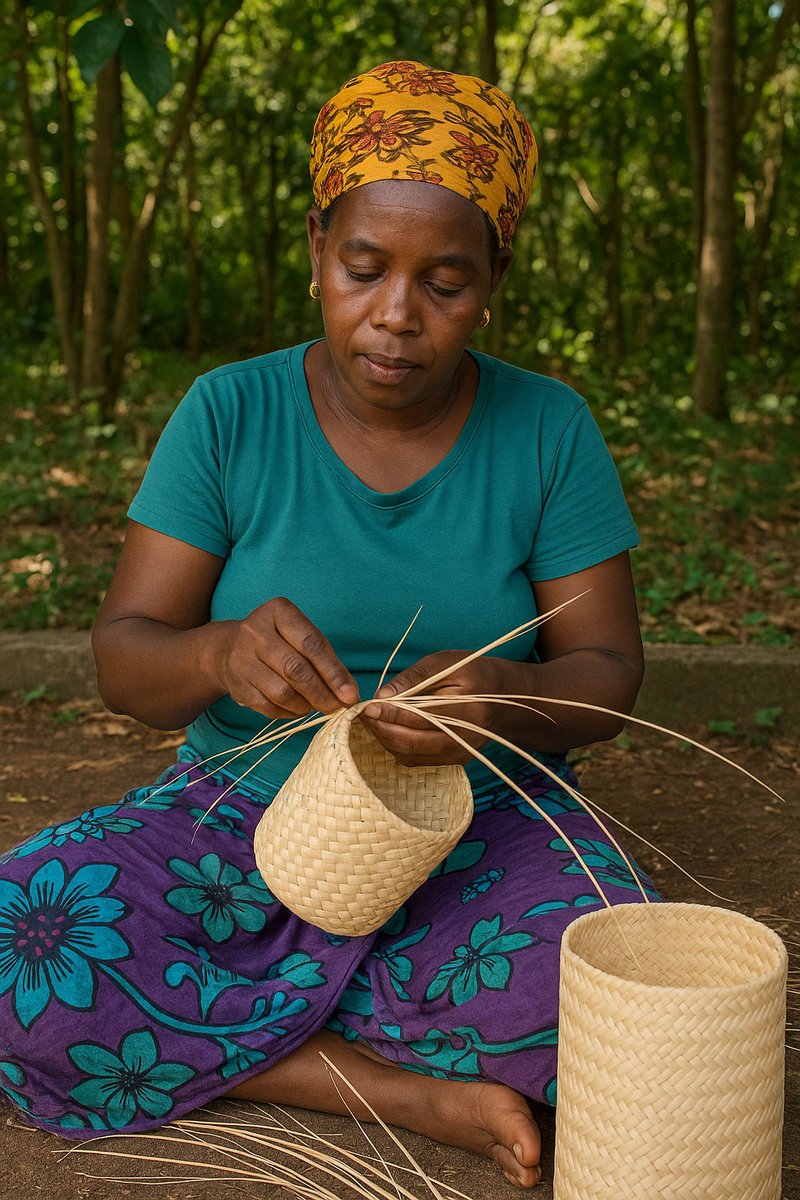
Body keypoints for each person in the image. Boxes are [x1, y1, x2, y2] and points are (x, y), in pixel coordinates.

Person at [0, 60, 658, 1188]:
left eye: (444, 281)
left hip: (480, 828)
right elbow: (124, 657)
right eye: (363, 268)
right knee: (20, 941)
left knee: (628, 1016)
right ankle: (389, 1082)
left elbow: (606, 671)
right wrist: (214, 651)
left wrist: (505, 701)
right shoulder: (229, 413)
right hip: (241, 821)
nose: (396, 314)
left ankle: (245, 1009)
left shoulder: (547, 430)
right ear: (316, 251)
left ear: (495, 276)